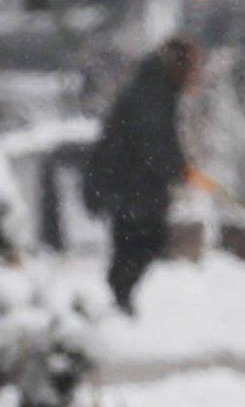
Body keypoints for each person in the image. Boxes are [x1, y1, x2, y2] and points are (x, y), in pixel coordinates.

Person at [85, 34, 201, 314]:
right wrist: (178, 168)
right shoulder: (153, 92)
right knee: (141, 239)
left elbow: (161, 140)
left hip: (132, 183)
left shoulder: (157, 88)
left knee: (140, 239)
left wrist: (179, 167)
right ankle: (118, 299)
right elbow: (154, 141)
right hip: (129, 183)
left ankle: (119, 298)